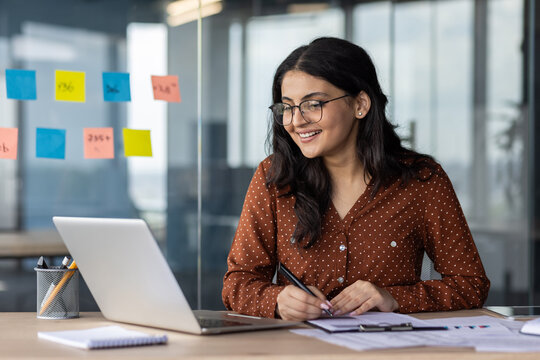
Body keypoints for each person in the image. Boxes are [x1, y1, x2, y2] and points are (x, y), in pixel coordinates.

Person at [222, 37, 490, 321]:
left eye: (313, 104)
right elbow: (237, 283)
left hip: (391, 349)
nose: (296, 120)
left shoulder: (422, 180)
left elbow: (470, 284)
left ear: (360, 104)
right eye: (287, 107)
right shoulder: (274, 177)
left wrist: (394, 298)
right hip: (300, 348)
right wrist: (277, 300)